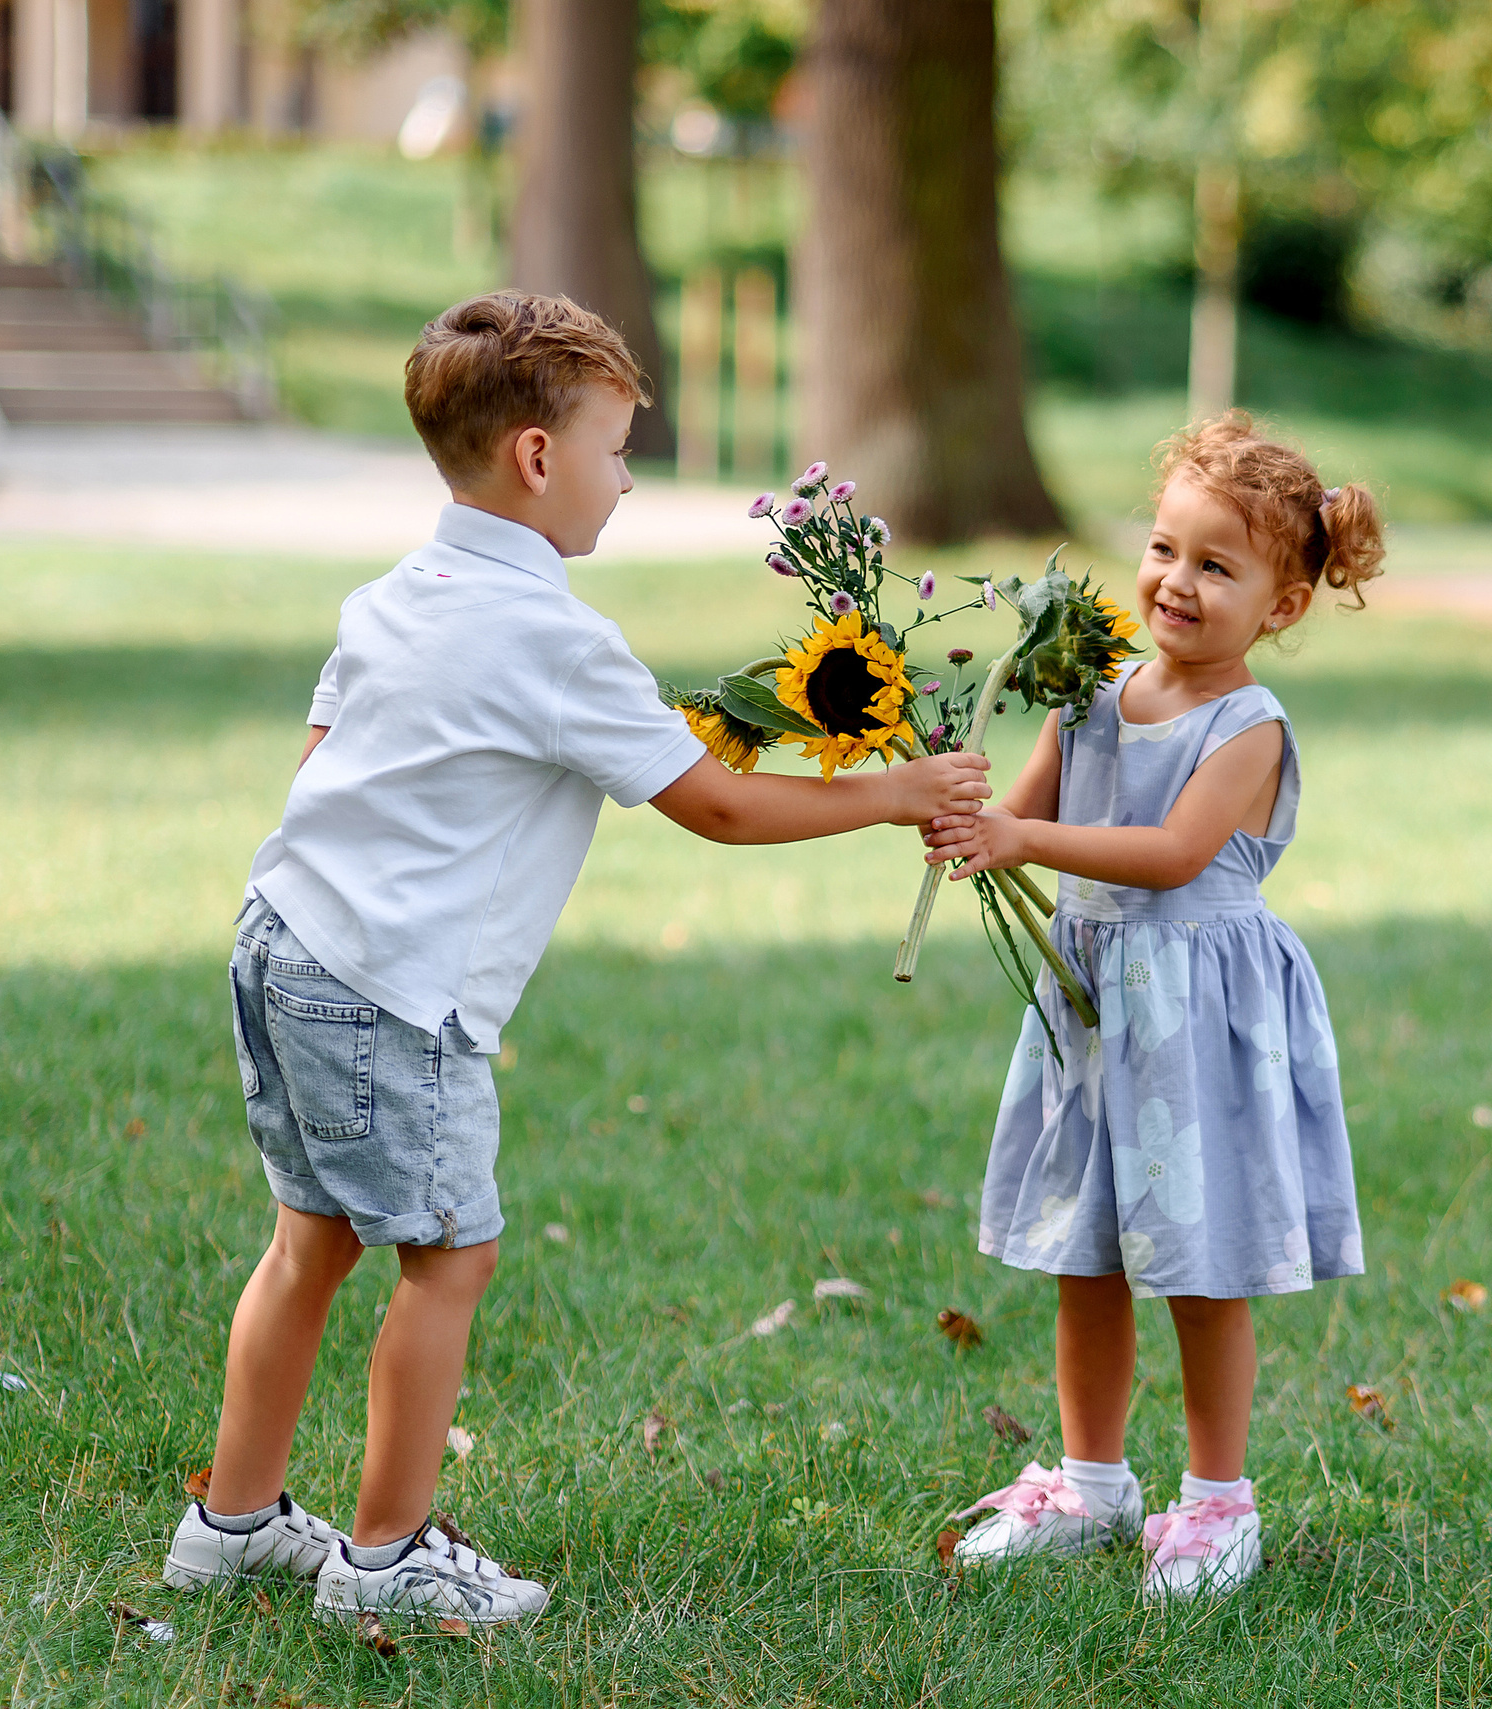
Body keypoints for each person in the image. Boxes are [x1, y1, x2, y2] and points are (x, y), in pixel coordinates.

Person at [159, 291, 990, 1626]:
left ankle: (234, 1522)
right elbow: (712, 802)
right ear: (536, 458)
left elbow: (326, 768)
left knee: (308, 1238)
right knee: (449, 1257)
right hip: (387, 987)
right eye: (613, 449)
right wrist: (894, 792)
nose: (622, 478)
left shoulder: (394, 596)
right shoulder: (553, 638)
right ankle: (386, 1556)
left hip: (284, 941)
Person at [921, 413, 1385, 1601]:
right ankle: (1091, 1480)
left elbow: (1172, 851)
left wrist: (1022, 831)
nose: (1176, 581)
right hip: (1092, 1011)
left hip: (1195, 1020)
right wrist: (960, 802)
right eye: (1166, 548)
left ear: (1281, 604)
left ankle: (1218, 1500)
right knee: (1088, 1252)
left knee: (1196, 1261)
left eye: (1218, 566)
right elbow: (1021, 811)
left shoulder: (1249, 726)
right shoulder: (1093, 687)